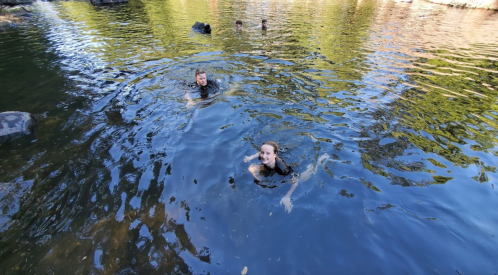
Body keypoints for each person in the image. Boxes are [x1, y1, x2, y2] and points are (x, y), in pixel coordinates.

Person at [244, 141, 330, 213]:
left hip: (291, 167)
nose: (263, 156)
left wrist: (287, 196)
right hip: (275, 161)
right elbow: (261, 153)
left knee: (302, 178)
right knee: (251, 168)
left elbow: (295, 180)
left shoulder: (283, 169)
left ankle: (319, 161)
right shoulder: (264, 156)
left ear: (274, 155)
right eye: (263, 153)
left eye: (268, 153)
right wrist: (250, 157)